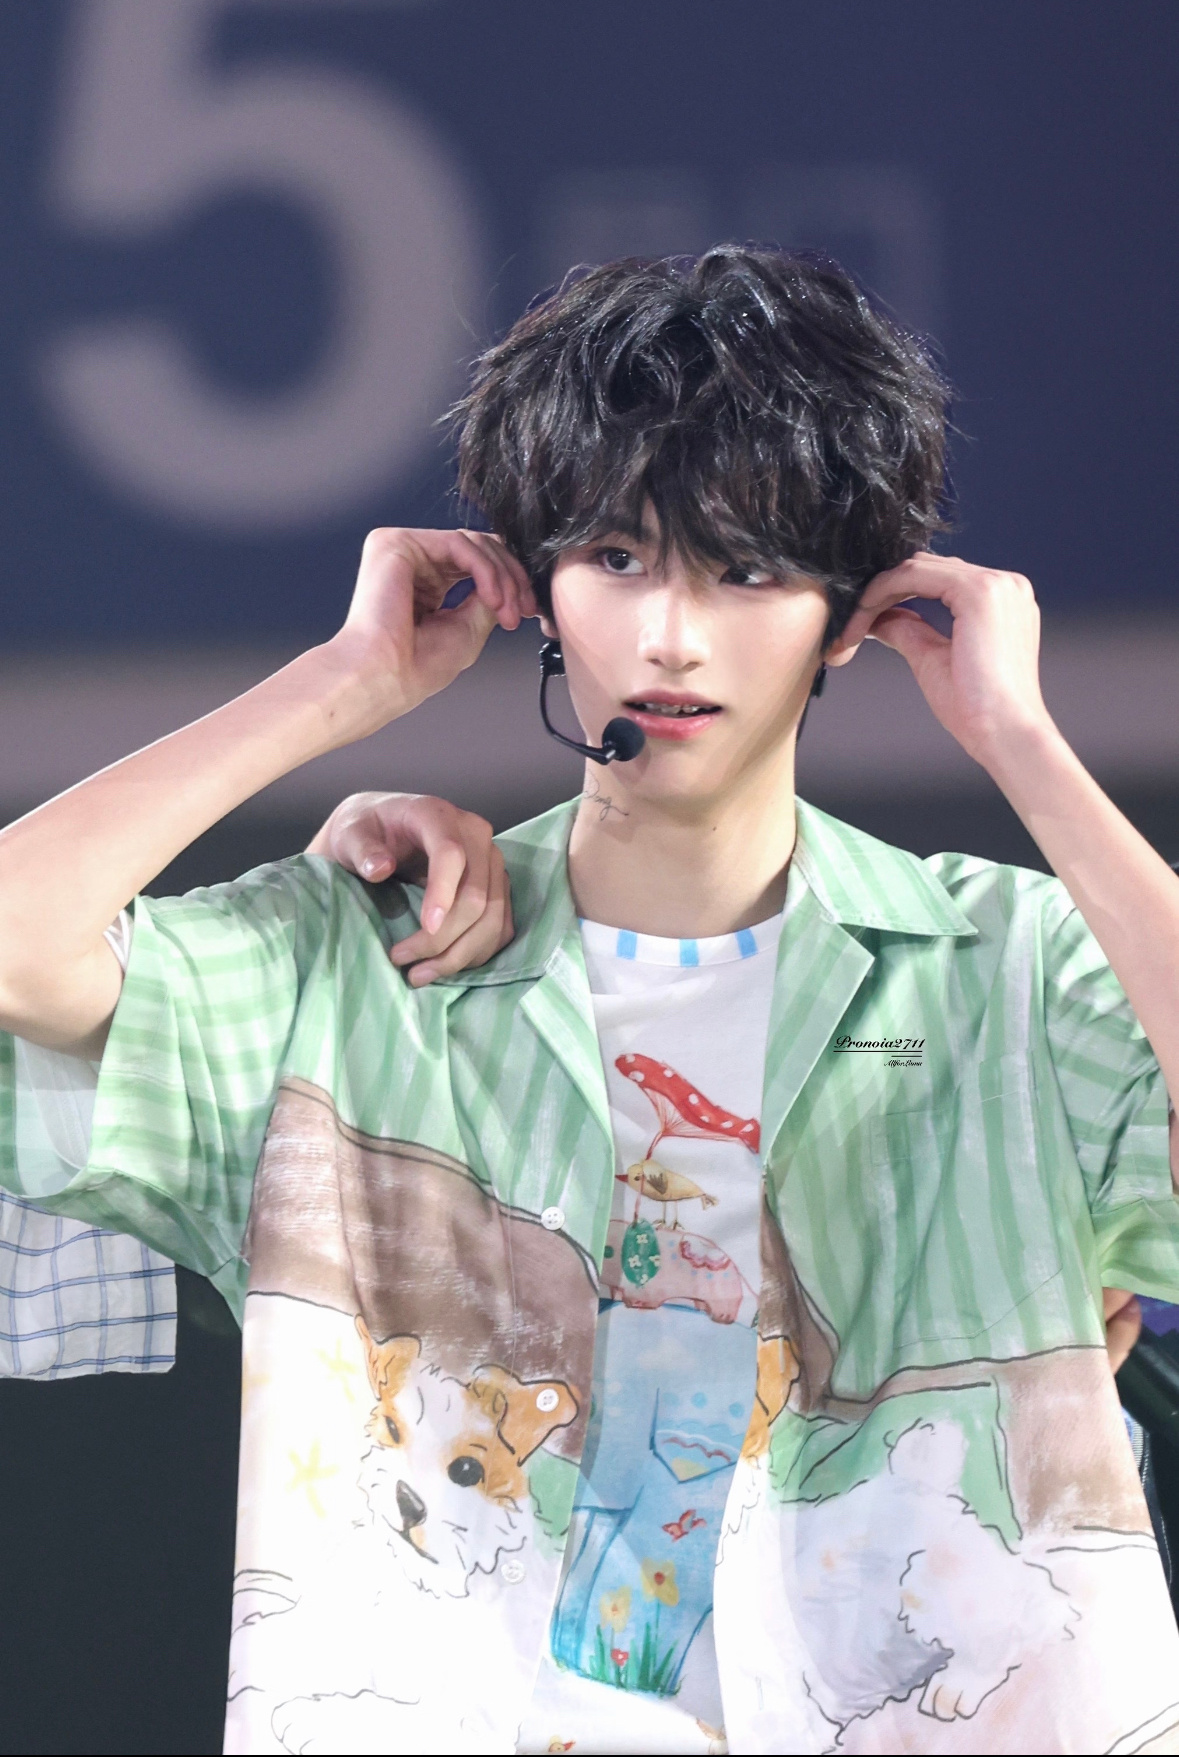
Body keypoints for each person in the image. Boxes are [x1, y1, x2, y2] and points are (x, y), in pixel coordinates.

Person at [1, 246, 1177, 1755]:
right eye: (618, 557)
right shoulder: (358, 968)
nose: (672, 634)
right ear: (537, 585)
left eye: (746, 569)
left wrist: (1018, 737)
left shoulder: (1009, 969)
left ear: (851, 611)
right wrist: (342, 683)